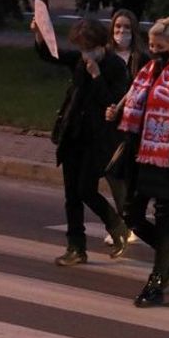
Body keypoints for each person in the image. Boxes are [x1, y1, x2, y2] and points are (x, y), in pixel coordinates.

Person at [107, 16, 169, 306]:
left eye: (159, 46)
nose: (153, 50)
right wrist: (117, 115)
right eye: (150, 45)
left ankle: (157, 281)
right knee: (131, 215)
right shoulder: (146, 72)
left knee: (165, 217)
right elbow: (136, 110)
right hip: (140, 156)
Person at [32, 17, 130, 266]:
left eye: (89, 48)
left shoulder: (115, 66)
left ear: (101, 45)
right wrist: (39, 34)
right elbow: (51, 55)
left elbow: (114, 103)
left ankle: (116, 224)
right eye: (81, 47)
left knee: (86, 189)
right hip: (74, 134)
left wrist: (97, 77)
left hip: (98, 139)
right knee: (71, 195)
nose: (85, 53)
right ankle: (76, 247)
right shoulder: (78, 61)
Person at [103, 9, 150, 247]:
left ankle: (128, 222)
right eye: (118, 27)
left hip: (133, 125)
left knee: (125, 173)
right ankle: (126, 220)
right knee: (111, 171)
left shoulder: (142, 58)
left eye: (127, 28)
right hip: (110, 123)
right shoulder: (106, 56)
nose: (122, 32)